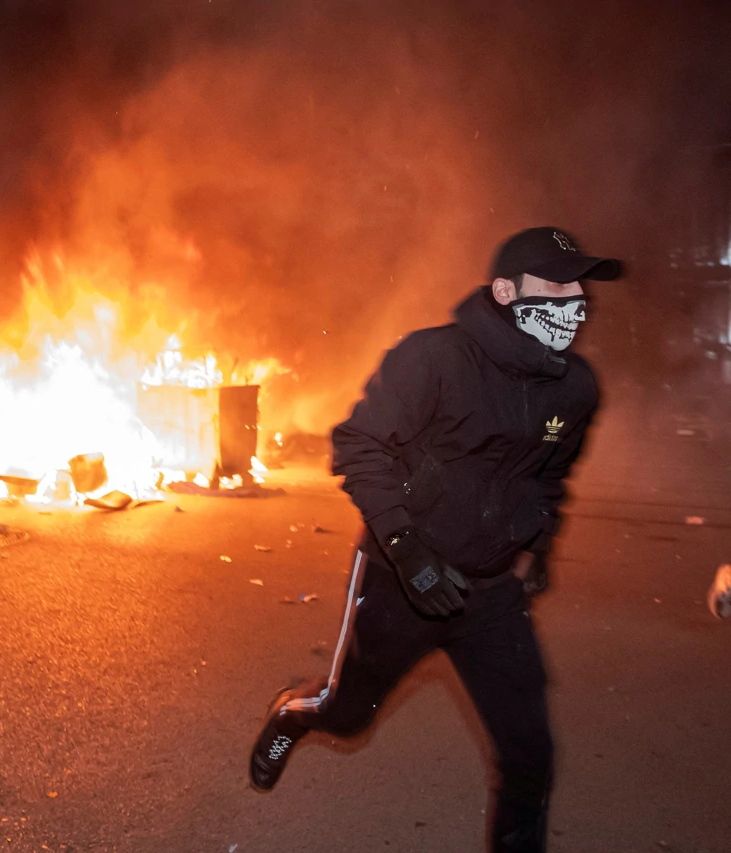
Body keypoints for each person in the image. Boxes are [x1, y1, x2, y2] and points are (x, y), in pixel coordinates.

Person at [249, 227, 621, 853]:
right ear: (506, 291)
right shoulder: (433, 359)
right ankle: (293, 713)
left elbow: (551, 475)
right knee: (348, 717)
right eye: (557, 286)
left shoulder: (575, 387)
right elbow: (358, 445)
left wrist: (542, 542)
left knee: (530, 756)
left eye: (580, 287)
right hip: (401, 586)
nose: (575, 299)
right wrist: (406, 548)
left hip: (491, 596)